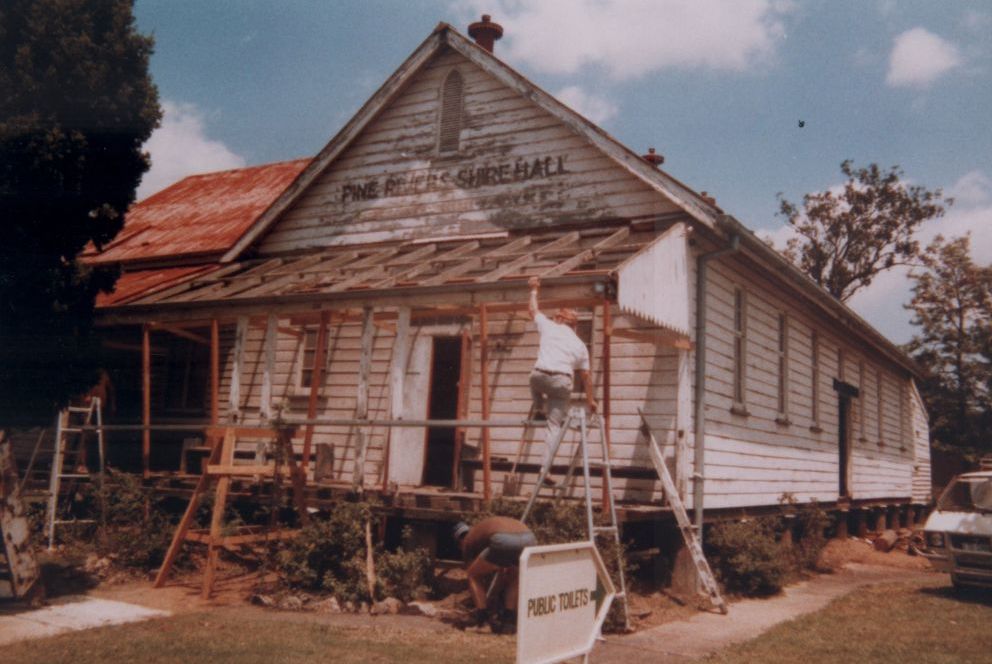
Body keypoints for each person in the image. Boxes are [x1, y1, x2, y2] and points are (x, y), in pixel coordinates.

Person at [527, 276, 597, 483]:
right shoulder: (580, 345)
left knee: (533, 380)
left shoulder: (549, 326)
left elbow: (533, 310)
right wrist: (590, 400)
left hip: (539, 375)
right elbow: (586, 377)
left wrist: (533, 290)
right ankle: (545, 470)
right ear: (575, 326)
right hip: (562, 383)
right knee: (554, 426)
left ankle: (539, 407)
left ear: (558, 319)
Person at [453, 516, 536, 631]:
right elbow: (500, 571)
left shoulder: (467, 542)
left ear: (459, 541)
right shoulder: (482, 529)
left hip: (503, 539)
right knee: (514, 577)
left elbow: (476, 575)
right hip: (529, 538)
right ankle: (509, 622)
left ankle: (483, 621)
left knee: (473, 575)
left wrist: (482, 603)